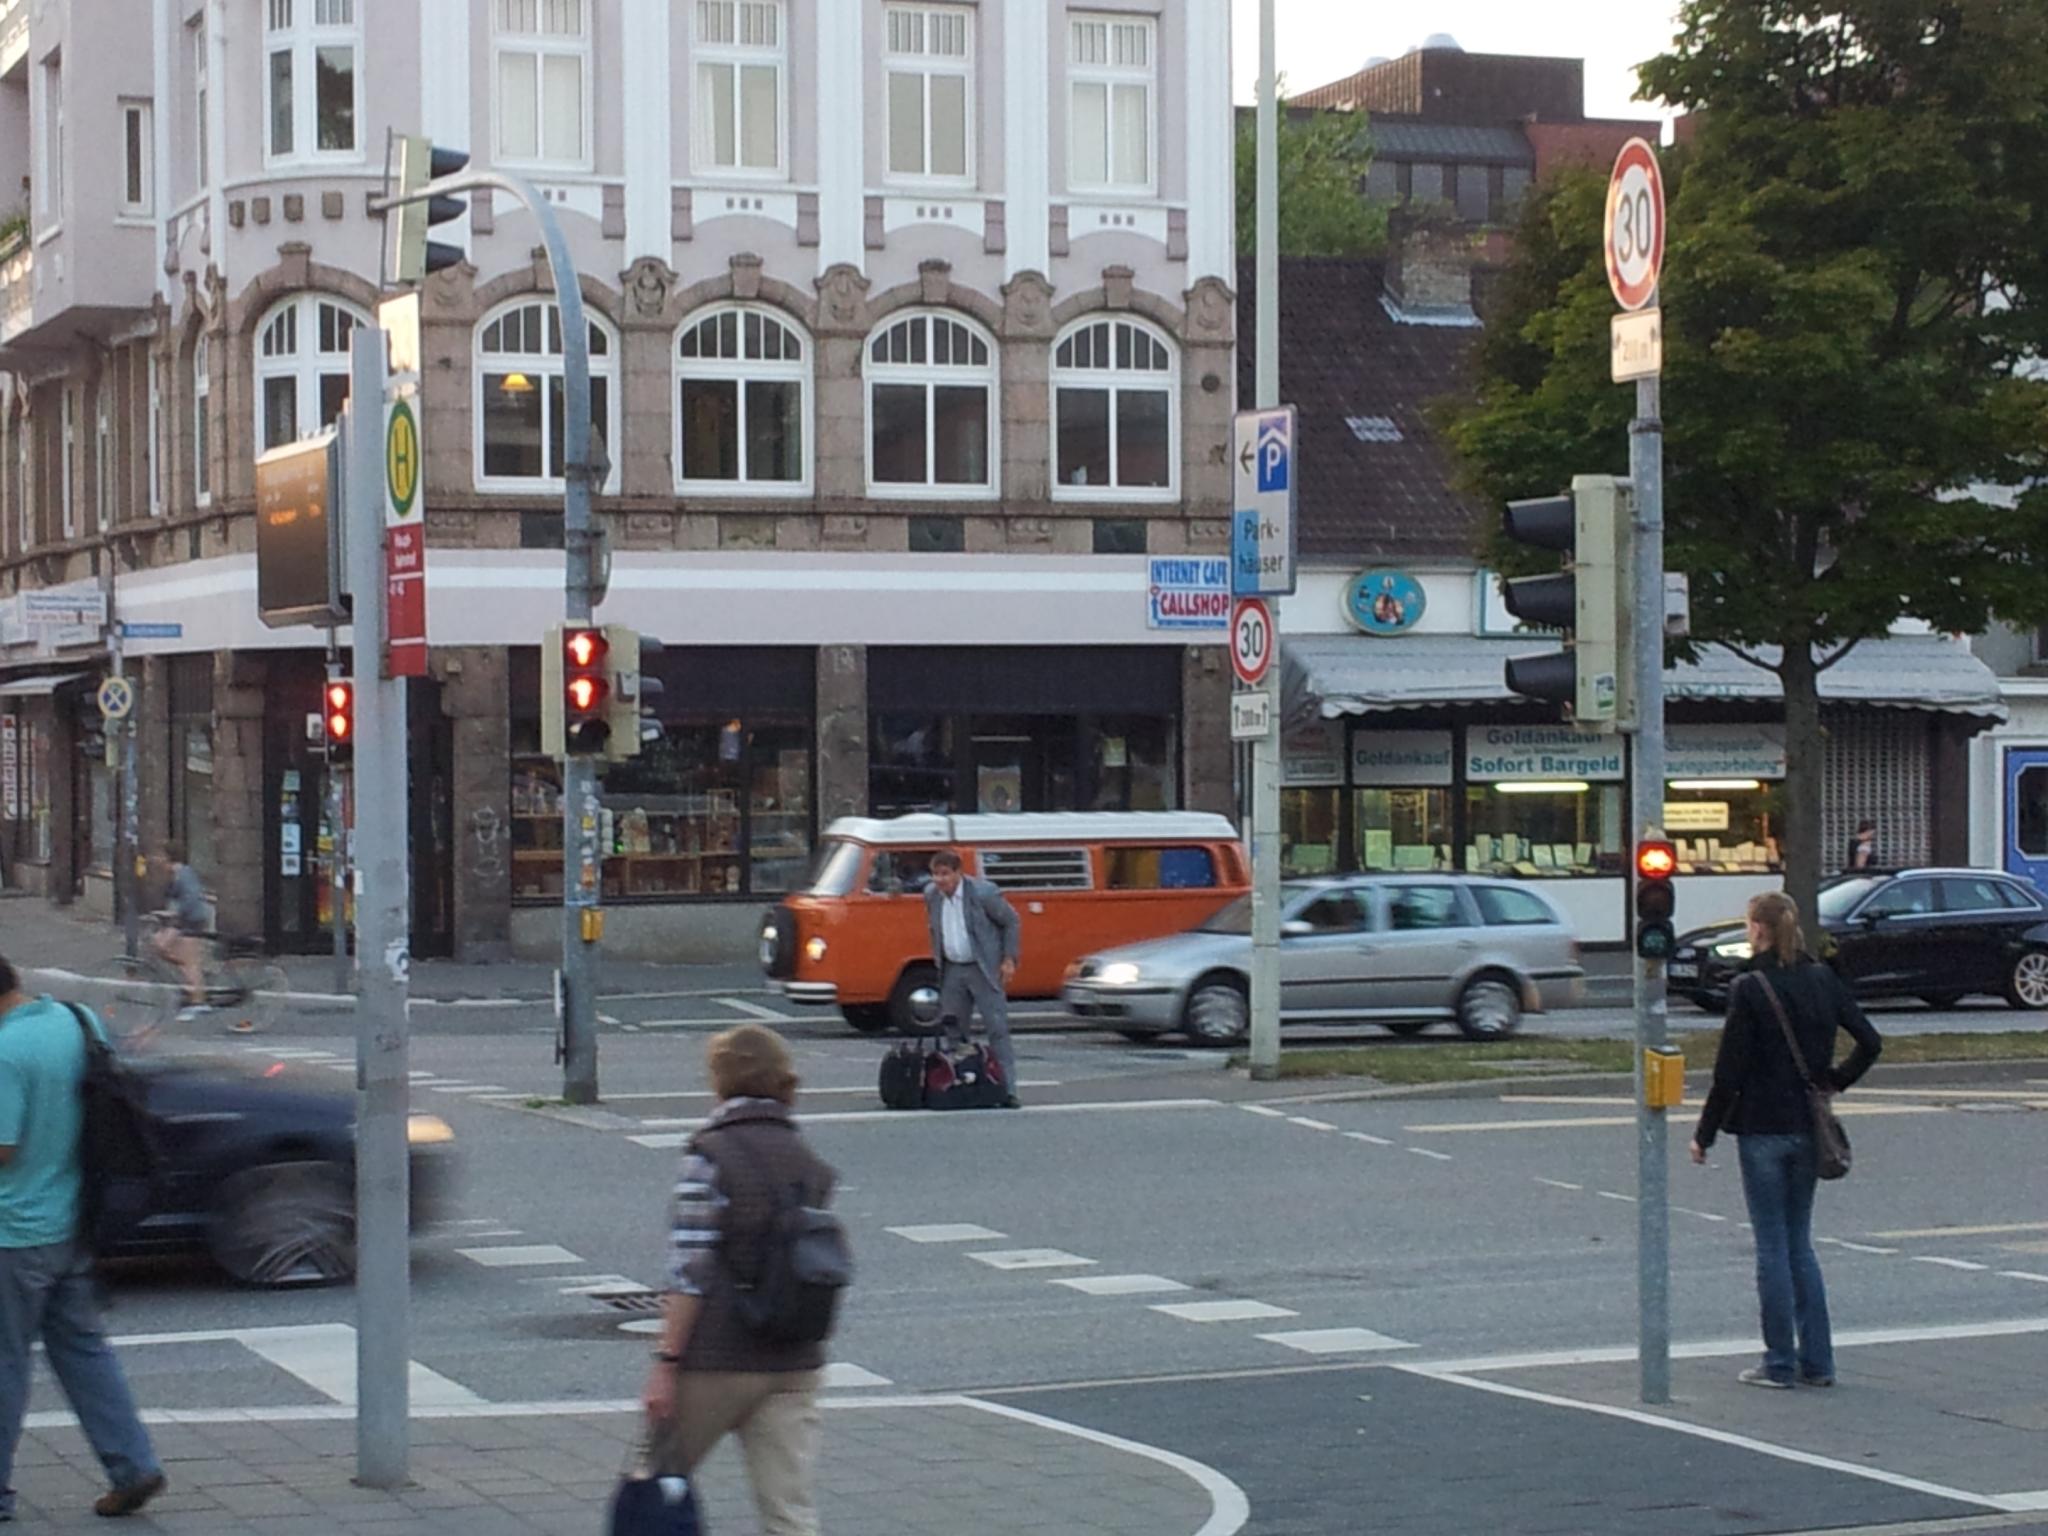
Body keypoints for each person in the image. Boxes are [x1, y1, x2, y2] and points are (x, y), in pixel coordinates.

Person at [644, 1025, 836, 1536]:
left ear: (720, 1079)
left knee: (655, 1489)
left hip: (717, 1359)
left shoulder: (710, 1154)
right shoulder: (805, 1159)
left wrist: (666, 1362)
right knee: (789, 1514)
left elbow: (690, 1268)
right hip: (794, 1360)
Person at [1689, 893, 1883, 1389]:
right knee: (1799, 1242)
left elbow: (1729, 1072)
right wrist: (1835, 1080)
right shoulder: (1822, 978)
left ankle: (1778, 1362)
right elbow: (1870, 1041)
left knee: (1771, 1245)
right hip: (1808, 1125)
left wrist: (1704, 1133)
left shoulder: (1750, 987)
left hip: (1761, 1127)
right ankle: (1818, 1362)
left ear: (1758, 929)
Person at [0, 954, 166, 1520]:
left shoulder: (5, 1053)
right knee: (84, 1351)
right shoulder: (77, 1020)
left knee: (5, 1364)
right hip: (74, 1220)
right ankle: (134, 1465)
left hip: (14, 1231)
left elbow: (4, 1147)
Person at [922, 850, 1022, 1108]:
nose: (940, 880)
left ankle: (1008, 1089)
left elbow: (1011, 921)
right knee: (954, 1028)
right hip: (952, 968)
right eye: (935, 874)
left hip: (983, 967)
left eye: (945, 874)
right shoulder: (931, 895)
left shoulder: (982, 893)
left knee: (996, 1028)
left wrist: (1009, 959)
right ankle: (962, 1084)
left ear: (958, 873)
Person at [148, 843, 209, 1020]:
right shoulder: (175, 874)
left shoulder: (184, 874)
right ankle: (190, 980)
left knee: (190, 963)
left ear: (168, 857)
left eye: (160, 856)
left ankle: (198, 1002)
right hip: (182, 921)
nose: (157, 860)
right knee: (159, 945)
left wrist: (175, 913)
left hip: (191, 921)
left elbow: (191, 899)